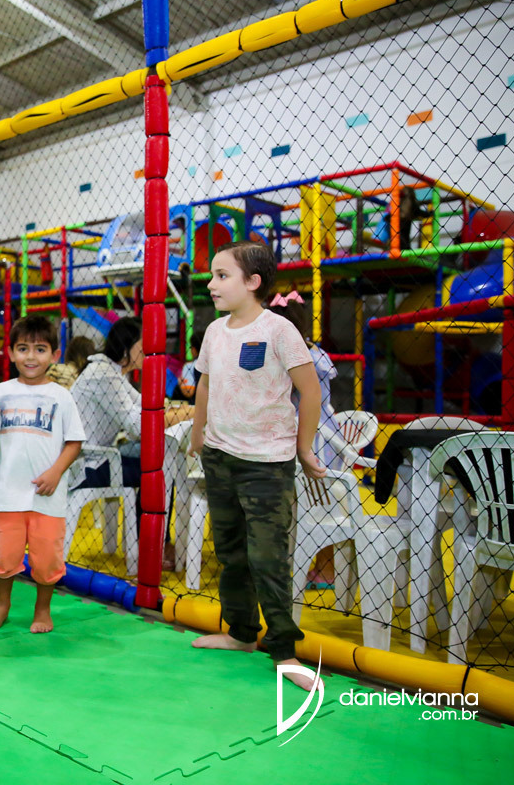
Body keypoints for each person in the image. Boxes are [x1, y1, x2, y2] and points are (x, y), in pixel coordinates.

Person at [187, 241, 325, 693]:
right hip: (220, 456)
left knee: (267, 557)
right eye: (212, 275)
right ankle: (241, 633)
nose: (212, 284)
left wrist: (305, 448)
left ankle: (284, 651)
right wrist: (198, 432)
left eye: (222, 275)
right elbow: (205, 386)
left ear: (253, 282)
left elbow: (310, 390)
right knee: (230, 553)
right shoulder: (215, 331)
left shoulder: (278, 330)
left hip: (267, 463)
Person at [0, 315, 84, 633]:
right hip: (9, 494)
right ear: (11, 352)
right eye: (23, 348)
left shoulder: (61, 396)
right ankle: (2, 606)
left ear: (54, 355)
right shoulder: (1, 391)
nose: (31, 357)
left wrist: (55, 472)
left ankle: (42, 610)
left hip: (46, 496)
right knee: (4, 555)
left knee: (47, 558)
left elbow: (74, 442)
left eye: (40, 349)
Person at [267, 290, 341, 589]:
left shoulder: (298, 357)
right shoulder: (313, 351)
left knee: (318, 503)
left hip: (314, 435)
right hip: (323, 432)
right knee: (315, 504)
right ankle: (318, 564)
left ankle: (326, 567)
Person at [71, 318, 189, 490]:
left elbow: (143, 405)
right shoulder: (104, 373)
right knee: (161, 468)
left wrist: (182, 411)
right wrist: (190, 412)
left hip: (98, 457)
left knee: (162, 456)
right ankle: (148, 509)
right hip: (86, 465)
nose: (148, 349)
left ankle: (145, 508)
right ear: (126, 346)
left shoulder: (113, 372)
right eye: (143, 342)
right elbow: (139, 426)